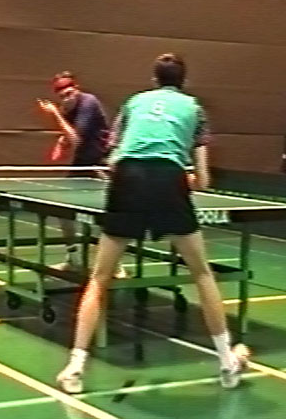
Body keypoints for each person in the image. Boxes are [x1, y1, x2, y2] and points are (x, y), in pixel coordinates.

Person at [56, 53, 249, 394]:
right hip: (168, 179)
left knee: (99, 278)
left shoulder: (134, 102)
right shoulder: (195, 109)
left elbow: (112, 159)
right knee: (202, 274)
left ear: (154, 79)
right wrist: (183, 180)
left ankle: (75, 367)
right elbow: (204, 180)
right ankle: (226, 362)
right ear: (184, 81)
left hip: (127, 178)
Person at [38, 72, 128, 278]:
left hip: (101, 163)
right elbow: (70, 135)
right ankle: (73, 259)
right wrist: (61, 143)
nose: (66, 99)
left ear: (77, 89)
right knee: (62, 210)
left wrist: (55, 115)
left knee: (108, 214)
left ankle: (116, 264)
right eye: (62, 96)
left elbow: (76, 139)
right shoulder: (68, 108)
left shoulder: (88, 103)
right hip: (83, 164)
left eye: (69, 94)